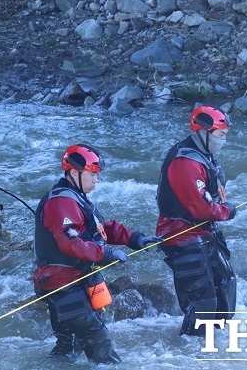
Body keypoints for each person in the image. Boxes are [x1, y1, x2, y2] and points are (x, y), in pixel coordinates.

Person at [33, 144, 160, 363]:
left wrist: (135, 239)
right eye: (92, 174)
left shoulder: (75, 198)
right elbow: (71, 244)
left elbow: (102, 228)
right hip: (62, 284)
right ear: (74, 172)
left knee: (69, 347)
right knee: (100, 343)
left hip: (75, 279)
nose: (96, 180)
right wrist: (107, 254)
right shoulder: (61, 202)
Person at [156, 105, 237, 336]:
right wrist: (226, 212)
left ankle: (211, 352)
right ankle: (188, 354)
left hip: (203, 232)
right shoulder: (186, 162)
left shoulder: (204, 156)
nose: (223, 140)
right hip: (181, 234)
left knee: (225, 291)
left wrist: (222, 209)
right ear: (203, 131)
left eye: (225, 135)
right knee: (203, 307)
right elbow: (199, 207)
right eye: (220, 135)